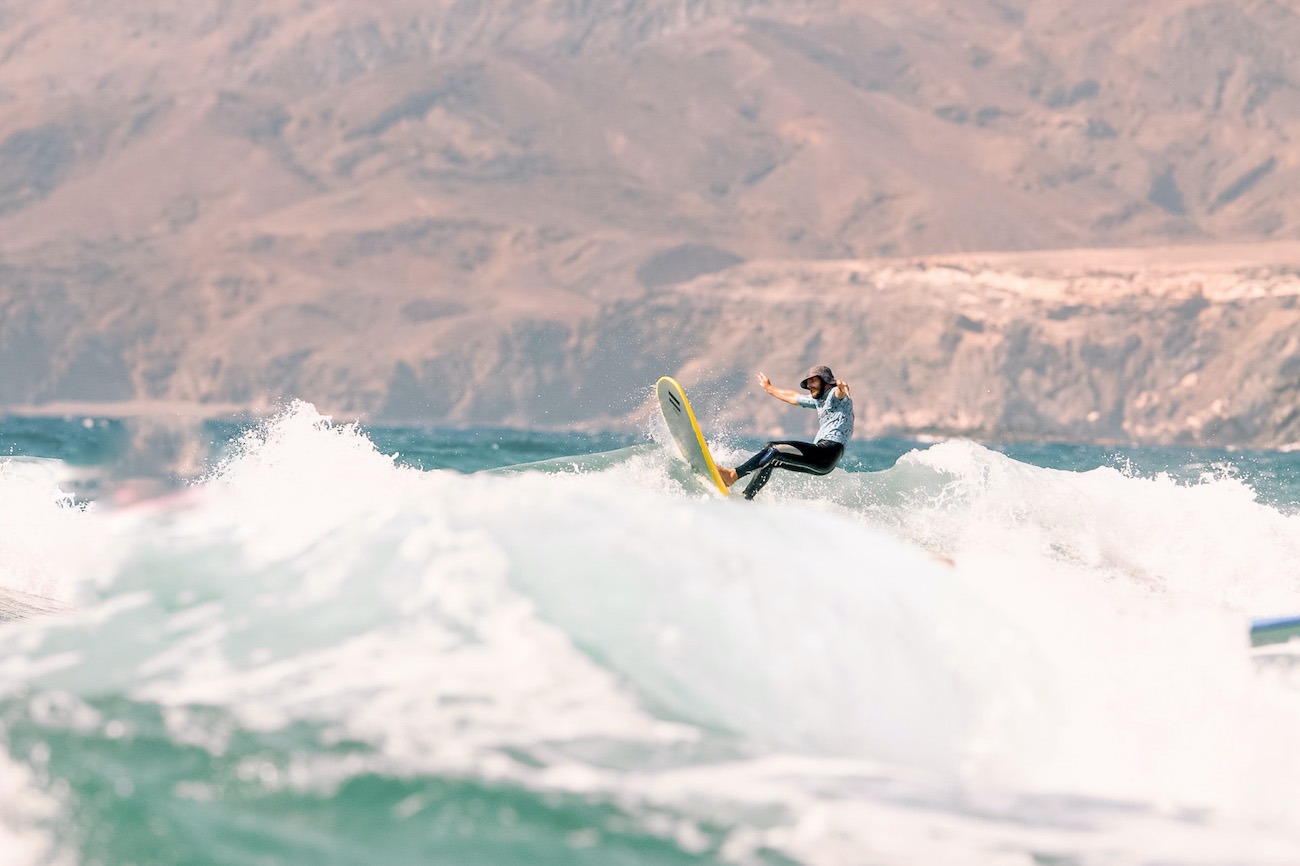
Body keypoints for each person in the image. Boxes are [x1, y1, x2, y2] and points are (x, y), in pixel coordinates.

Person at [717, 365, 854, 500]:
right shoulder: (819, 400)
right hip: (824, 462)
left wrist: (841, 387)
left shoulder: (834, 395)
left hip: (828, 451)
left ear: (826, 381)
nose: (809, 385)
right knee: (771, 460)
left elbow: (840, 393)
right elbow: (793, 397)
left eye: (813, 380)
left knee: (773, 449)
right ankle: (747, 497)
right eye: (807, 382)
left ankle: (732, 475)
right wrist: (769, 388)